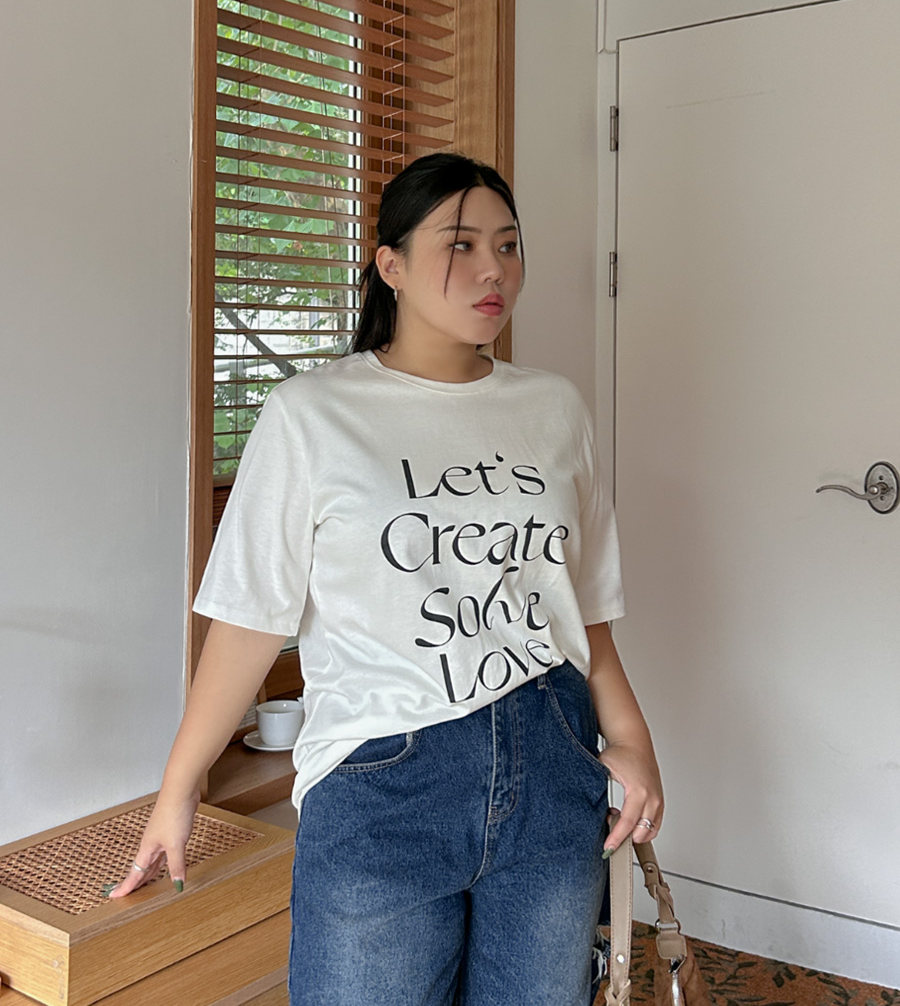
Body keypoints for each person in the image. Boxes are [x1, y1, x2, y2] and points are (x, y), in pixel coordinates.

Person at [110, 152, 664, 1006]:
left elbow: (582, 611)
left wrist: (632, 739)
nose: (493, 269)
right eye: (461, 243)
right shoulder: (312, 414)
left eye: (509, 244)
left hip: (552, 759)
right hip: (383, 782)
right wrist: (178, 787)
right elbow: (251, 621)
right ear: (391, 265)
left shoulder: (555, 408)